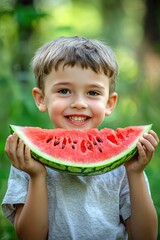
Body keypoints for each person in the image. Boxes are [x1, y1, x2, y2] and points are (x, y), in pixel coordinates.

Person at [2, 36, 159, 240]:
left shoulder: (125, 165)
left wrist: (136, 173)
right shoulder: (27, 159)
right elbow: (30, 236)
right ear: (41, 99)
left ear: (110, 103)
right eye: (64, 91)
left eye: (93, 93)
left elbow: (146, 236)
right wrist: (37, 175)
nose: (79, 103)